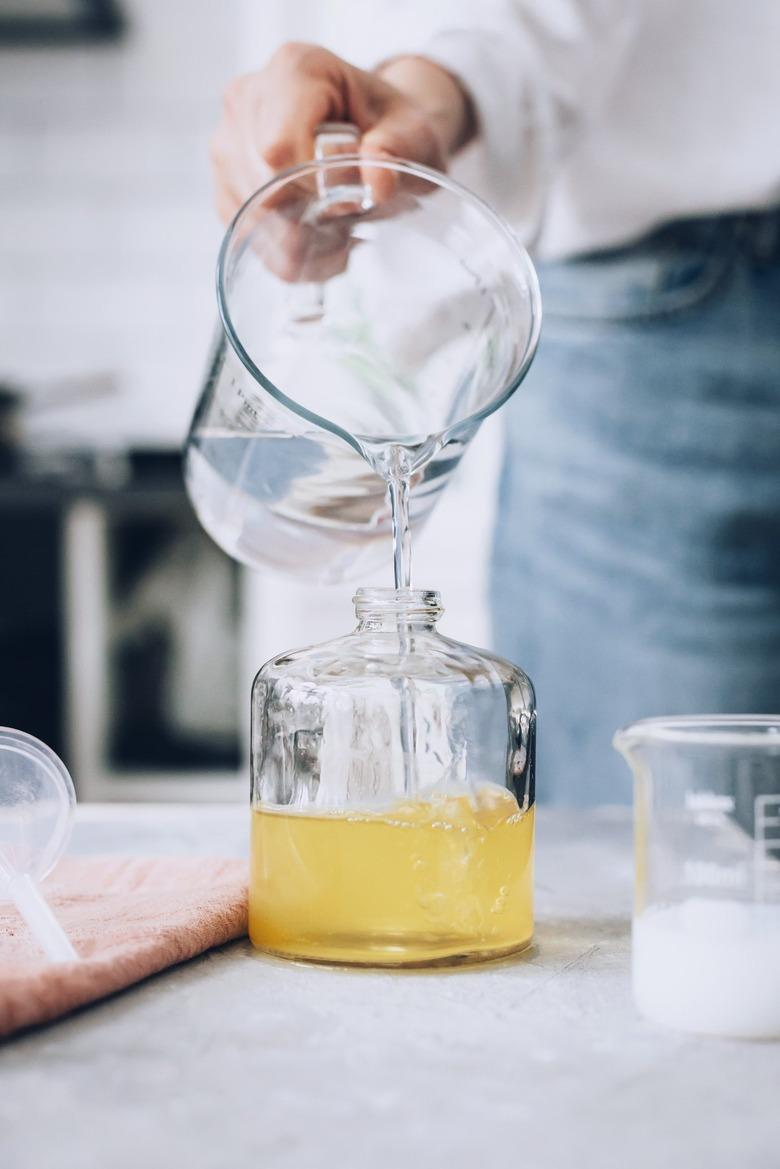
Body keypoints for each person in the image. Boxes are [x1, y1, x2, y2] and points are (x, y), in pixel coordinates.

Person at [210, 4, 780, 804]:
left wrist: (440, 89)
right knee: (635, 847)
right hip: (657, 304)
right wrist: (440, 91)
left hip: (653, 278)